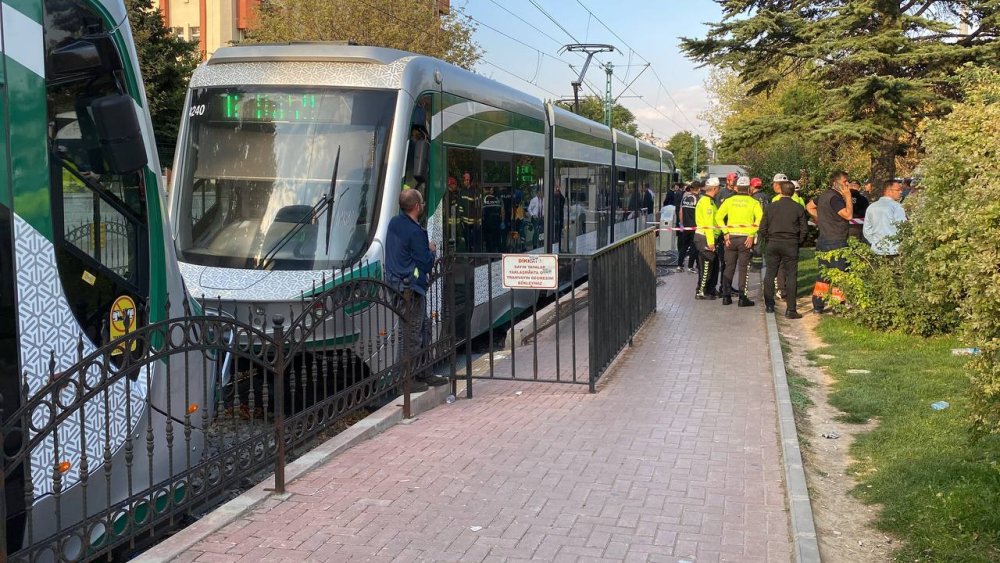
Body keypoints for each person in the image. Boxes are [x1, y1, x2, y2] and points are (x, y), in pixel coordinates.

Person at [385, 189, 447, 390]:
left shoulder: (394, 223)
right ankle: (407, 380)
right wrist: (431, 249)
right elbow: (427, 264)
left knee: (423, 327)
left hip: (395, 284)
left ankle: (424, 372)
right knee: (412, 333)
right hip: (411, 288)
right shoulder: (416, 232)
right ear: (417, 206)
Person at [806, 171, 853, 313]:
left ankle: (818, 306)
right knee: (839, 275)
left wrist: (820, 219)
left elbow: (809, 206)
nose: (847, 185)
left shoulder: (824, 195)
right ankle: (838, 306)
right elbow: (849, 215)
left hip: (823, 240)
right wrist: (848, 197)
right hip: (836, 241)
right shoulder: (836, 198)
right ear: (835, 183)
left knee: (823, 276)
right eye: (845, 182)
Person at [760, 181, 809, 319]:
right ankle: (791, 309)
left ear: (780, 191)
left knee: (770, 273)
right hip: (790, 243)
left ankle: (769, 305)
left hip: (773, 242)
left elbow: (762, 228)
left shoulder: (771, 207)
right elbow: (804, 229)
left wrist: (768, 239)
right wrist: (798, 242)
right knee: (791, 275)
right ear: (793, 192)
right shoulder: (798, 207)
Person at [715, 176, 763, 307]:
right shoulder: (753, 202)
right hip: (745, 239)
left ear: (737, 187)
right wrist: (751, 234)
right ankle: (742, 298)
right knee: (743, 268)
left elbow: (718, 217)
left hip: (730, 238)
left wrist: (725, 233)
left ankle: (726, 296)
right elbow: (760, 219)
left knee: (729, 267)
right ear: (748, 188)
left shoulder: (729, 201)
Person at [694, 178, 722, 300]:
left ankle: (710, 289)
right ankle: (701, 291)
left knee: (714, 265)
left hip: (708, 237)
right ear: (715, 188)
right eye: (719, 188)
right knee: (706, 265)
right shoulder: (707, 203)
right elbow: (708, 224)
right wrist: (711, 242)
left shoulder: (708, 201)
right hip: (705, 237)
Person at [863, 179, 907, 256]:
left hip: (876, 250)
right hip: (894, 250)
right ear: (889, 191)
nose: (901, 192)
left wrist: (874, 242)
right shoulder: (897, 207)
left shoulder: (871, 207)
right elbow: (903, 228)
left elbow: (866, 230)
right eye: (898, 190)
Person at [676, 183, 700, 273]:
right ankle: (690, 267)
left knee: (684, 246)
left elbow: (680, 212)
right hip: (694, 227)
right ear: (697, 189)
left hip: (685, 227)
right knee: (693, 247)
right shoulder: (697, 199)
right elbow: (699, 214)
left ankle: (679, 265)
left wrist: (681, 224)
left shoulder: (685, 198)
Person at [459, 171, 480, 252]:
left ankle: (474, 255)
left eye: (468, 180)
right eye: (465, 180)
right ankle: (469, 254)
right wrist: (460, 217)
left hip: (474, 221)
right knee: (467, 239)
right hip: (464, 221)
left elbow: (477, 206)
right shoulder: (462, 191)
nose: (466, 181)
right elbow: (460, 206)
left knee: (474, 239)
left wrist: (477, 219)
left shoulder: (475, 191)